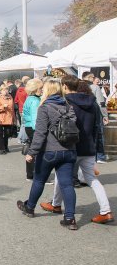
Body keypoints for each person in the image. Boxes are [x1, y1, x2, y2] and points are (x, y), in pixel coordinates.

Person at [41, 78, 112, 224]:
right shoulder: (92, 103)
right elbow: (97, 128)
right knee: (92, 179)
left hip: (71, 146)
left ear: (65, 86)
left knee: (62, 177)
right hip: (89, 147)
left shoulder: (64, 102)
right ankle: (106, 211)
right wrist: (98, 149)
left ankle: (56, 204)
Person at [17, 79, 78, 230]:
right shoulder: (68, 106)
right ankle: (70, 218)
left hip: (49, 150)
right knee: (67, 184)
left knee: (39, 180)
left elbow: (40, 133)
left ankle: (30, 207)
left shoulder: (44, 107)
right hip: (68, 150)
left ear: (47, 91)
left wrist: (32, 152)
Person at [21, 79, 43, 180]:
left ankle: (30, 174)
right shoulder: (34, 100)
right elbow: (35, 118)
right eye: (40, 88)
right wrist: (39, 131)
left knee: (32, 150)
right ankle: (36, 174)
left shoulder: (30, 98)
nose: (42, 90)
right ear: (35, 89)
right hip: (34, 128)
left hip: (29, 127)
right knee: (37, 151)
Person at [0, 84, 16, 154]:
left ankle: (6, 146)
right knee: (0, 134)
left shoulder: (10, 97)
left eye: (6, 89)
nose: (5, 91)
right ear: (0, 91)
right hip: (0, 118)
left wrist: (13, 118)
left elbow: (12, 109)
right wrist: (3, 106)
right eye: (3, 90)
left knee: (7, 133)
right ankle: (2, 148)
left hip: (8, 117)